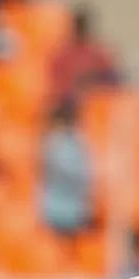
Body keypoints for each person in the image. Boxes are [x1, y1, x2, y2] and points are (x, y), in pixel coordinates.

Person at [39, 99, 93, 240]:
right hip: (54, 212)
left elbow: (81, 173)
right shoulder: (54, 141)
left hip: (70, 212)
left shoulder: (73, 142)